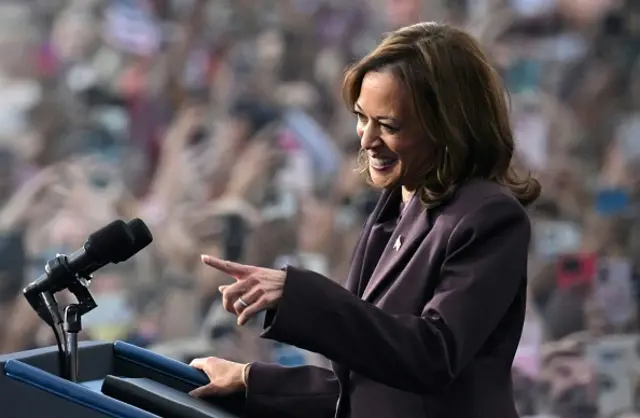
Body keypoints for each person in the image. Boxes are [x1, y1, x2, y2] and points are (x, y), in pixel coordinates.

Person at [189, 22, 541, 418]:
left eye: (388, 125)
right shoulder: (392, 209)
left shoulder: (488, 217)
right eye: (362, 118)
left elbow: (431, 355)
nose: (367, 139)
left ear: (447, 127)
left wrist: (300, 296)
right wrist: (252, 379)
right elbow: (365, 391)